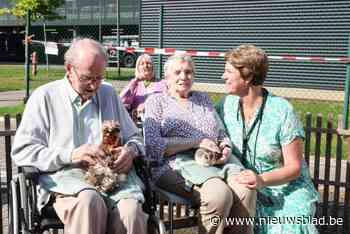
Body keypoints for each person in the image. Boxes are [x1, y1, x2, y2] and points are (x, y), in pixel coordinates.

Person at [11, 38, 148, 234]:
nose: (94, 86)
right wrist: (71, 155)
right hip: (66, 179)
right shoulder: (44, 97)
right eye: (87, 78)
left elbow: (136, 137)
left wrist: (130, 150)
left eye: (99, 78)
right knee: (90, 201)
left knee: (131, 211)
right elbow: (23, 152)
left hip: (112, 179)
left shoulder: (108, 93)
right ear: (69, 69)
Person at [144, 54, 256, 234]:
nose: (183, 76)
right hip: (174, 164)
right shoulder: (156, 102)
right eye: (177, 72)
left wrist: (226, 148)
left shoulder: (203, 99)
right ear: (167, 77)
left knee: (246, 189)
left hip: (215, 160)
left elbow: (220, 131)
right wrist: (196, 142)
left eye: (188, 72)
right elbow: (152, 145)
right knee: (218, 194)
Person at [216, 44, 320, 233]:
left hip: (285, 188)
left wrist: (262, 179)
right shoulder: (226, 105)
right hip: (246, 185)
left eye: (228, 72)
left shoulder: (282, 111)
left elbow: (294, 167)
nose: (223, 76)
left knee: (289, 225)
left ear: (247, 77)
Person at [120, 54, 167, 122]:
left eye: (148, 63)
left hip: (158, 121)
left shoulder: (162, 83)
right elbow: (122, 100)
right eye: (142, 64)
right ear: (138, 68)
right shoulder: (135, 84)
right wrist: (136, 80)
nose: (146, 66)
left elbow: (167, 103)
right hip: (137, 121)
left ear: (153, 67)